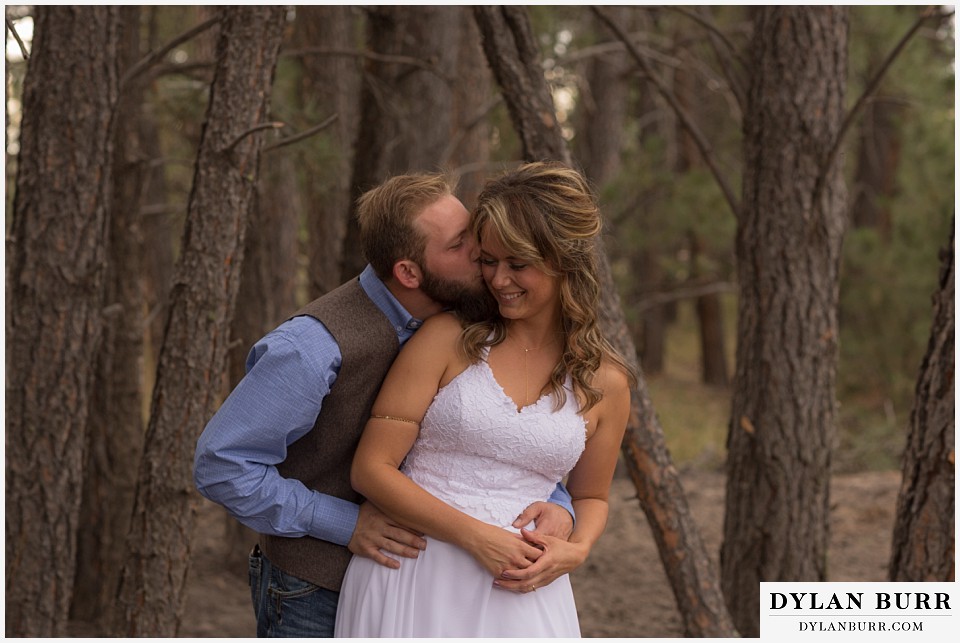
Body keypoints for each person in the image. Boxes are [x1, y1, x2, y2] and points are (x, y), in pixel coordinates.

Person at [193, 172, 576, 638]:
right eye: (461, 246)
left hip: (427, 587)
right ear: (409, 273)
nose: (481, 253)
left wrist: (560, 503)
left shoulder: (470, 319)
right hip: (311, 588)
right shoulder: (312, 348)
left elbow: (490, 434)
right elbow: (222, 464)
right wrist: (343, 522)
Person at [334, 161, 635, 637]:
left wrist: (577, 550)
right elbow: (371, 469)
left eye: (517, 264)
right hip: (414, 577)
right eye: (487, 260)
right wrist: (477, 539)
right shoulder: (446, 339)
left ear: (562, 261)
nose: (497, 280)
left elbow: (592, 495)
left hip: (524, 594)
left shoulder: (607, 382)